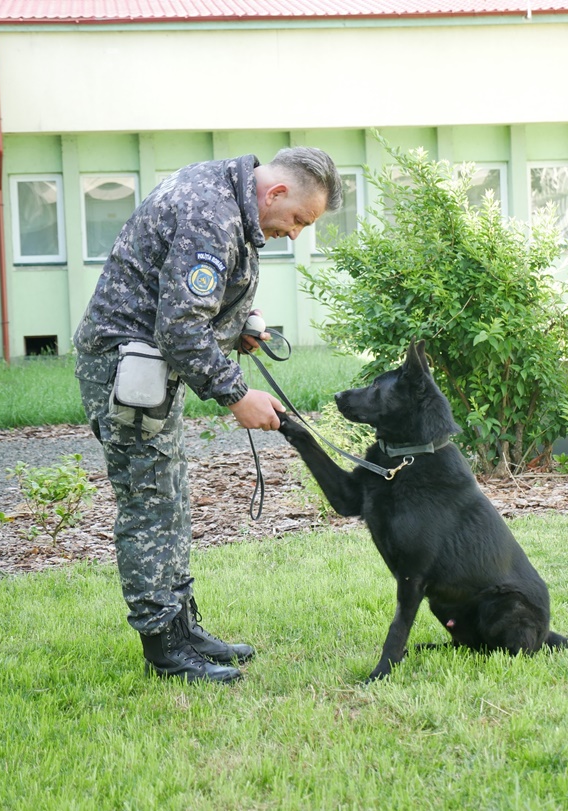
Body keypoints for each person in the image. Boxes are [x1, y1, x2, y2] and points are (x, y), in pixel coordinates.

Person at [73, 147, 343, 683]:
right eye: (298, 220)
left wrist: (237, 325)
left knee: (169, 498)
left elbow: (186, 299)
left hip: (150, 368)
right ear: (277, 192)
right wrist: (236, 395)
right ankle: (165, 649)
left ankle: (181, 628)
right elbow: (179, 327)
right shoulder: (211, 209)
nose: (294, 234)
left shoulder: (229, 196)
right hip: (127, 372)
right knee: (150, 504)